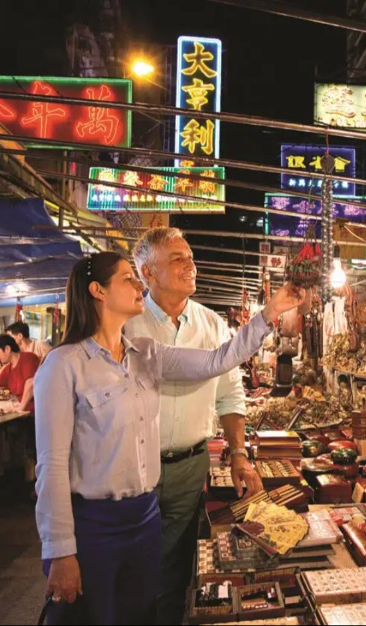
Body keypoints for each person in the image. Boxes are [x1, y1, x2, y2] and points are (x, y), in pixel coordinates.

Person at [34, 251, 304, 626]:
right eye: (128, 278)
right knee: (95, 616)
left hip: (144, 517)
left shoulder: (145, 354)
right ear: (97, 290)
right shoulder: (64, 365)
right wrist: (60, 550)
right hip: (96, 523)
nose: (138, 285)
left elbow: (217, 361)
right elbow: (51, 464)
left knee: (142, 612)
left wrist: (270, 312)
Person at [125, 227, 263, 624]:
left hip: (189, 467)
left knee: (175, 569)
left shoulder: (212, 324)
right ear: (147, 273)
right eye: (177, 259)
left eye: (190, 256)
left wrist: (238, 453)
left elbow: (230, 393)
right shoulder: (127, 323)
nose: (190, 265)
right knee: (132, 567)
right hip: (133, 467)